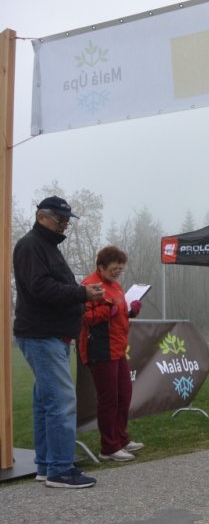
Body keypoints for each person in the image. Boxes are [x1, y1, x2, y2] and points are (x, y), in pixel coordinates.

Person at [13, 195, 105, 488]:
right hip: (42, 335)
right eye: (60, 219)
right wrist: (81, 293)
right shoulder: (31, 246)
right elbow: (41, 287)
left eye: (67, 220)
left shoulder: (47, 247)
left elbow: (54, 285)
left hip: (52, 335)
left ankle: (46, 465)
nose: (65, 225)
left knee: (46, 402)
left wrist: (80, 294)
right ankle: (61, 470)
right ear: (41, 217)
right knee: (62, 402)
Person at [77, 246, 144, 462]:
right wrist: (108, 311)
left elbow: (119, 313)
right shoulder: (89, 285)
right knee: (109, 399)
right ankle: (108, 447)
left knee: (124, 395)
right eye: (114, 268)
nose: (118, 272)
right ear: (101, 266)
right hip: (101, 348)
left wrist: (130, 311)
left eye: (120, 269)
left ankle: (121, 438)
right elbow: (84, 317)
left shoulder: (116, 286)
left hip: (118, 347)